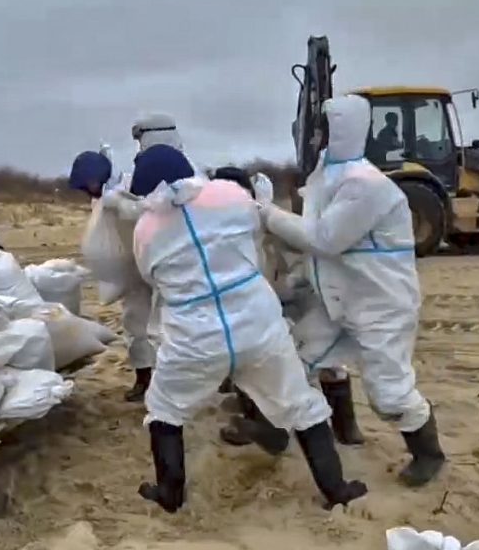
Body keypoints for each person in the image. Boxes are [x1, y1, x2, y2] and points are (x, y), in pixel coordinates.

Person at [129, 143, 367, 514]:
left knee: (164, 408)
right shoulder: (228, 195)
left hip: (195, 337)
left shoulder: (145, 229)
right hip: (256, 323)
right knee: (300, 402)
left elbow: (150, 275)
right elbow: (259, 225)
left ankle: (170, 494)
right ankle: (337, 489)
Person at [256, 93, 446, 488]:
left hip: (381, 305)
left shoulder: (366, 185)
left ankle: (428, 452)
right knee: (297, 358)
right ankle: (281, 431)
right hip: (337, 299)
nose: (313, 139)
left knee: (389, 392)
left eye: (320, 130)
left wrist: (268, 214)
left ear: (338, 132)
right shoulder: (326, 178)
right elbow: (309, 235)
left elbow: (325, 238)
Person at [209, 167, 366, 451]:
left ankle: (343, 427)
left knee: (317, 358)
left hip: (298, 295)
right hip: (266, 303)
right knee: (252, 360)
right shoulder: (220, 228)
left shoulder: (267, 219)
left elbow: (309, 245)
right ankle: (266, 422)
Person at [69, 149, 156, 401]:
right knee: (134, 324)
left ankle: (164, 380)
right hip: (129, 272)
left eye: (90, 184)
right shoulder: (101, 197)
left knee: (163, 326)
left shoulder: (128, 186)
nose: (88, 190)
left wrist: (119, 203)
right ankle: (144, 378)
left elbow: (142, 212)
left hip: (148, 264)